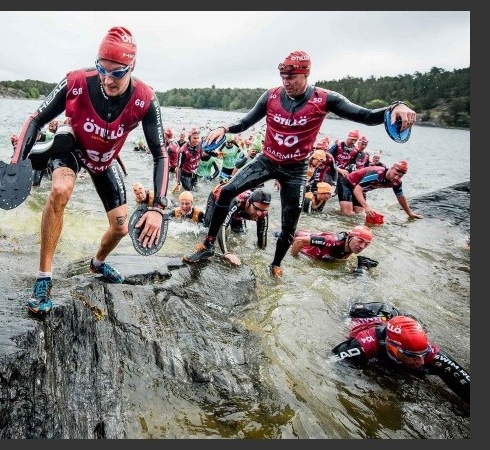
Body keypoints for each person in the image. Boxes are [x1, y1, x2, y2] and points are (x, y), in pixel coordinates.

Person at [186, 50, 417, 279]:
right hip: (267, 160)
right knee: (226, 191)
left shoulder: (325, 99)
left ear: (306, 74)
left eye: (291, 77)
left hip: (295, 170)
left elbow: (366, 116)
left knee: (289, 225)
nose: (286, 82)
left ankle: (275, 266)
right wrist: (224, 129)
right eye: (283, 77)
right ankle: (207, 244)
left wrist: (396, 106)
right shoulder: (271, 96)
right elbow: (245, 122)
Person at [7, 26, 170, 315]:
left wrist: (157, 207)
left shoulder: (146, 99)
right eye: (102, 69)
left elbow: (160, 153)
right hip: (71, 147)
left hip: (104, 160)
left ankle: (96, 264)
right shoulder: (77, 81)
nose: (108, 79)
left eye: (117, 73)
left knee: (120, 228)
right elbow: (35, 119)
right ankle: (44, 279)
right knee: (60, 190)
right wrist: (16, 161)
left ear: (132, 66)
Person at [332, 302, 469, 405]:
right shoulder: (364, 345)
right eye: (413, 356)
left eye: (423, 353)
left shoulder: (430, 351)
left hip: (390, 315)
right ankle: (362, 268)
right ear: (393, 348)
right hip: (360, 314)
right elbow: (331, 366)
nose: (421, 361)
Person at [202, 187, 271, 267]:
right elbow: (222, 225)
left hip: (239, 212)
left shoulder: (263, 213)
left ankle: (235, 217)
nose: (259, 213)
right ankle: (198, 215)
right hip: (217, 198)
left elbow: (262, 239)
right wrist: (226, 253)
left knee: (239, 235)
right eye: (256, 208)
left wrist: (260, 259)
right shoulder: (237, 201)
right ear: (249, 201)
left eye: (263, 210)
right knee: (208, 228)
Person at [342, 160, 423, 220]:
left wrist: (409, 213)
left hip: (361, 189)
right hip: (347, 183)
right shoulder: (376, 174)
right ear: (391, 169)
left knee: (357, 217)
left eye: (400, 176)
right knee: (347, 214)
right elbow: (357, 190)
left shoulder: (397, 182)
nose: (396, 178)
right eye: (395, 174)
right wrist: (367, 207)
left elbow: (400, 197)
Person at [289, 225, 372, 264]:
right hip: (290, 237)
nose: (362, 246)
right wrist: (294, 259)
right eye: (360, 241)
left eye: (366, 244)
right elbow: (299, 241)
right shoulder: (330, 241)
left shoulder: (352, 245)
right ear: (350, 237)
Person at [303, 148, 338, 213]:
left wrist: (334, 184)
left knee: (317, 209)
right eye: (319, 161)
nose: (320, 163)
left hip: (315, 184)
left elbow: (335, 170)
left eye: (321, 162)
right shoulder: (305, 161)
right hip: (302, 186)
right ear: (314, 158)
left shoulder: (327, 159)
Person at [176, 128, 203, 192]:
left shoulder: (199, 145)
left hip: (195, 174)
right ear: (189, 138)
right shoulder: (183, 150)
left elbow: (202, 156)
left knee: (196, 191)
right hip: (185, 176)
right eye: (194, 138)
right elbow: (179, 168)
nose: (196, 140)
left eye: (197, 138)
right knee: (189, 193)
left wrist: (214, 154)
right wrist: (178, 183)